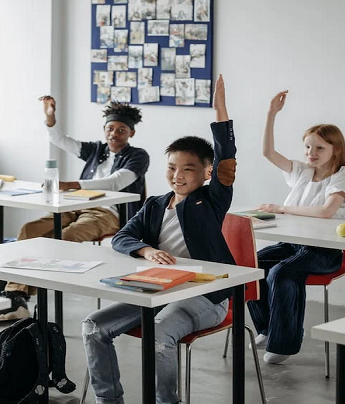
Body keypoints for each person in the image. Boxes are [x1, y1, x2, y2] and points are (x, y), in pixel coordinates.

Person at [82, 75, 235, 404]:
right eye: (171, 168)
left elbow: (225, 160)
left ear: (206, 173)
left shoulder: (211, 201)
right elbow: (122, 237)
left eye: (188, 169)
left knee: (159, 333)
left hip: (206, 296)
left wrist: (220, 111)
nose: (178, 176)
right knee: (94, 326)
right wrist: (147, 250)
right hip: (157, 289)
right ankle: (109, 401)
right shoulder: (155, 204)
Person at [0, 98, 149, 322]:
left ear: (132, 133)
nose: (114, 134)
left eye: (121, 130)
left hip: (109, 214)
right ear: (104, 129)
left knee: (65, 237)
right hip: (76, 205)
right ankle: (16, 295)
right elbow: (61, 140)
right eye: (110, 128)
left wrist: (73, 184)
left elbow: (115, 182)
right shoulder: (96, 150)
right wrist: (50, 118)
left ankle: (18, 296)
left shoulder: (138, 156)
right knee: (31, 229)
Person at [247, 90, 345, 364]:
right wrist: (271, 114)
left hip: (326, 250)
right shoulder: (301, 171)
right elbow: (268, 152)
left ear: (336, 150)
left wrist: (281, 208)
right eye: (308, 147)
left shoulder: (344, 176)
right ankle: (267, 328)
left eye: (319, 148)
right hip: (292, 244)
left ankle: (283, 345)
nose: (311, 153)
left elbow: (325, 211)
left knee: (282, 273)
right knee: (249, 266)